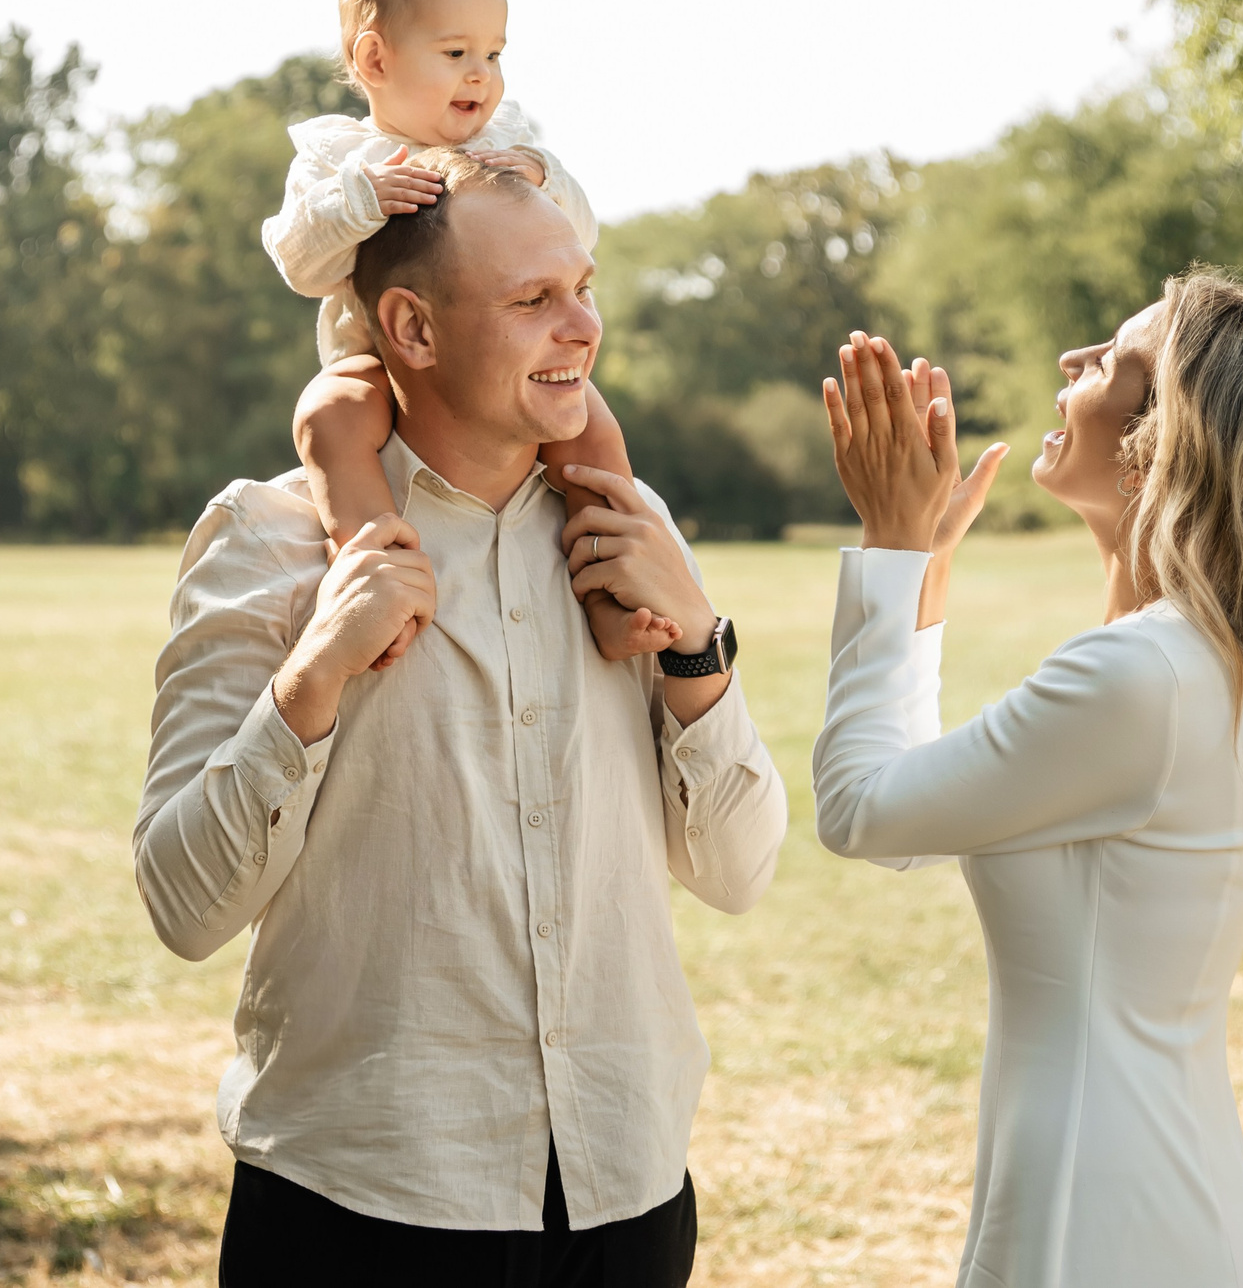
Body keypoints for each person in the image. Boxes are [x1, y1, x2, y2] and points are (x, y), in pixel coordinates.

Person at [140, 153, 787, 1287]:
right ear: (413, 329)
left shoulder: (629, 534)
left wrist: (694, 641)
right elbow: (185, 906)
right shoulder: (266, 540)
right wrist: (313, 676)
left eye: (583, 287)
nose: (581, 326)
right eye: (533, 300)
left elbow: (739, 870)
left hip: (626, 1196)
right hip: (357, 1205)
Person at [810, 273, 1243, 1288]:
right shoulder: (1203, 660)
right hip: (1152, 1194)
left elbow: (862, 813)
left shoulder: (1139, 678)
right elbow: (910, 815)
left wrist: (891, 544)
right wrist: (924, 568)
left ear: (1162, 442)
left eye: (1113, 362)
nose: (1071, 366)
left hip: (1095, 1221)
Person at [262, 0, 678, 664]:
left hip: (494, 373)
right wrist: (361, 201)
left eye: (494, 54)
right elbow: (301, 263)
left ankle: (612, 595)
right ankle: (373, 572)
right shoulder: (343, 159)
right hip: (377, 368)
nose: (481, 75)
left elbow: (578, 236)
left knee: (590, 431)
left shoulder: (503, 145)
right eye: (456, 54)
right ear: (375, 58)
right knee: (328, 416)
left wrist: (542, 177)